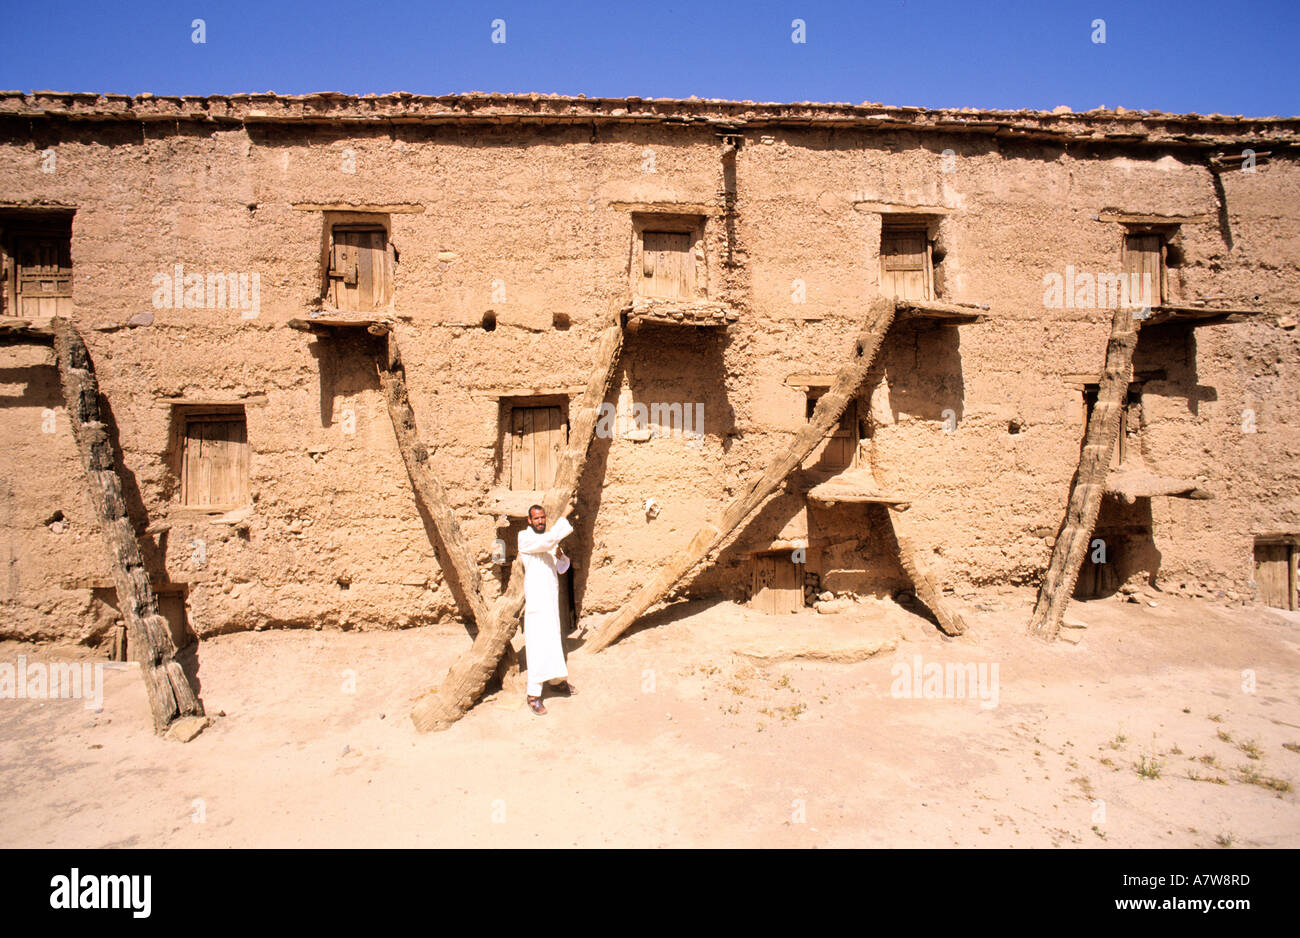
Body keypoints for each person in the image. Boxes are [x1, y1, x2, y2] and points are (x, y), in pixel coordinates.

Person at [518, 503, 577, 715]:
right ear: (529, 520)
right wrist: (564, 516)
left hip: (550, 601)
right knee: (536, 645)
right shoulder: (525, 538)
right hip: (536, 603)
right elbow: (547, 541)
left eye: (543, 518)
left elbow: (563, 567)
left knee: (553, 641)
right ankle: (533, 694)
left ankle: (557, 681)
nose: (540, 521)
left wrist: (561, 556)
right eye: (536, 519)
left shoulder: (548, 540)